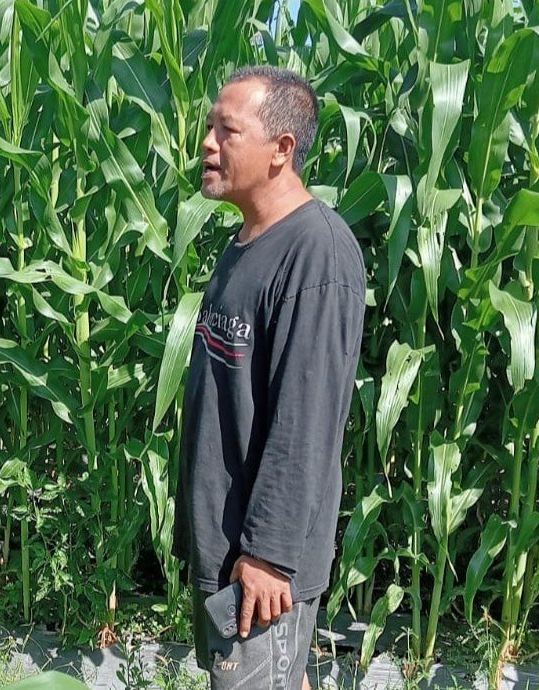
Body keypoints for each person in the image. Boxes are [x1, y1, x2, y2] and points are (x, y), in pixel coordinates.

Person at [175, 66, 366, 690]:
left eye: (227, 130)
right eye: (210, 127)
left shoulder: (317, 253)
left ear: (282, 150)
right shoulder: (246, 245)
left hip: (261, 563)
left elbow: (306, 419)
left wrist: (269, 553)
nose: (208, 143)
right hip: (227, 545)